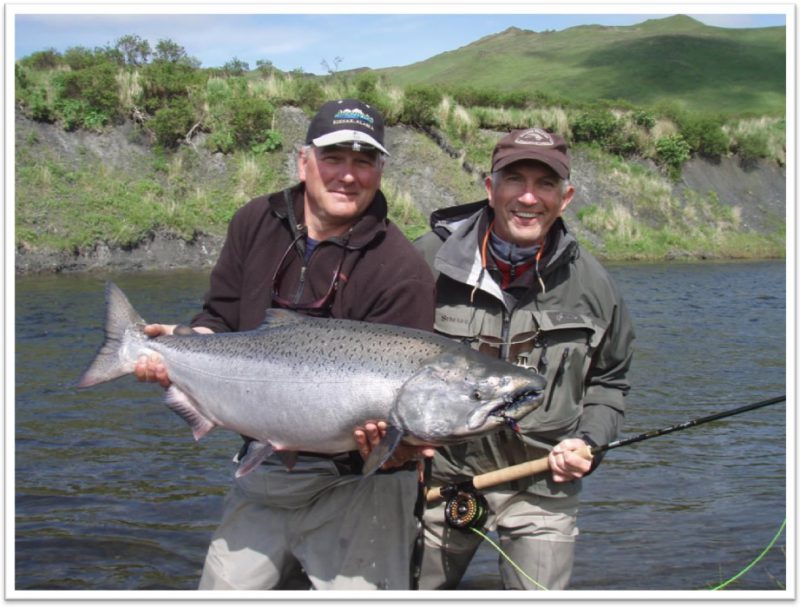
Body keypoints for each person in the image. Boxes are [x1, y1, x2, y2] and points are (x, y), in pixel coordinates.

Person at [134, 98, 436, 590]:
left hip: (359, 485)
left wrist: (389, 447)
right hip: (264, 470)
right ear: (304, 161)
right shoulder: (255, 221)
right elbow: (219, 315)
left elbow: (401, 430)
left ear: (380, 171)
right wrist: (188, 345)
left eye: (364, 161)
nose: (348, 175)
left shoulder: (402, 270)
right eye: (334, 157)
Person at [412, 127, 635, 590]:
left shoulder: (594, 285)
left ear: (566, 197)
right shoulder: (425, 263)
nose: (529, 197)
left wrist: (589, 441)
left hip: (544, 485)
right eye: (515, 179)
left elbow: (609, 383)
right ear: (491, 188)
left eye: (546, 183)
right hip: (443, 479)